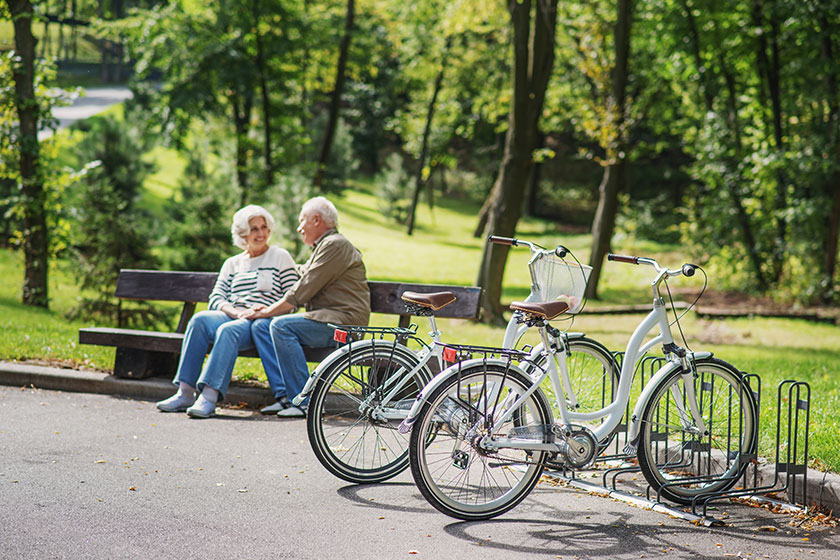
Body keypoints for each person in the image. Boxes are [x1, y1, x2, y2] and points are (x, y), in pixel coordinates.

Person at [156, 205, 299, 418]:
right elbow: (216, 298)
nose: (261, 233)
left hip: (262, 320)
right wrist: (234, 311)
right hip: (235, 314)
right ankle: (185, 392)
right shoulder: (233, 263)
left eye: (264, 227)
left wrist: (265, 311)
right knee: (199, 320)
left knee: (228, 331)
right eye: (254, 229)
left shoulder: (280, 256)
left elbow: (292, 298)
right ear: (243, 234)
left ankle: (209, 397)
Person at [247, 196, 370, 417]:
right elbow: (302, 273)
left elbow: (303, 289)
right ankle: (284, 397)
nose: (299, 227)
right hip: (329, 320)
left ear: (315, 219)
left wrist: (266, 311)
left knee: (281, 327)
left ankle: (304, 402)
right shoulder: (325, 246)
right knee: (263, 327)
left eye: (302, 220)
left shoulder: (335, 245)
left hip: (344, 324)